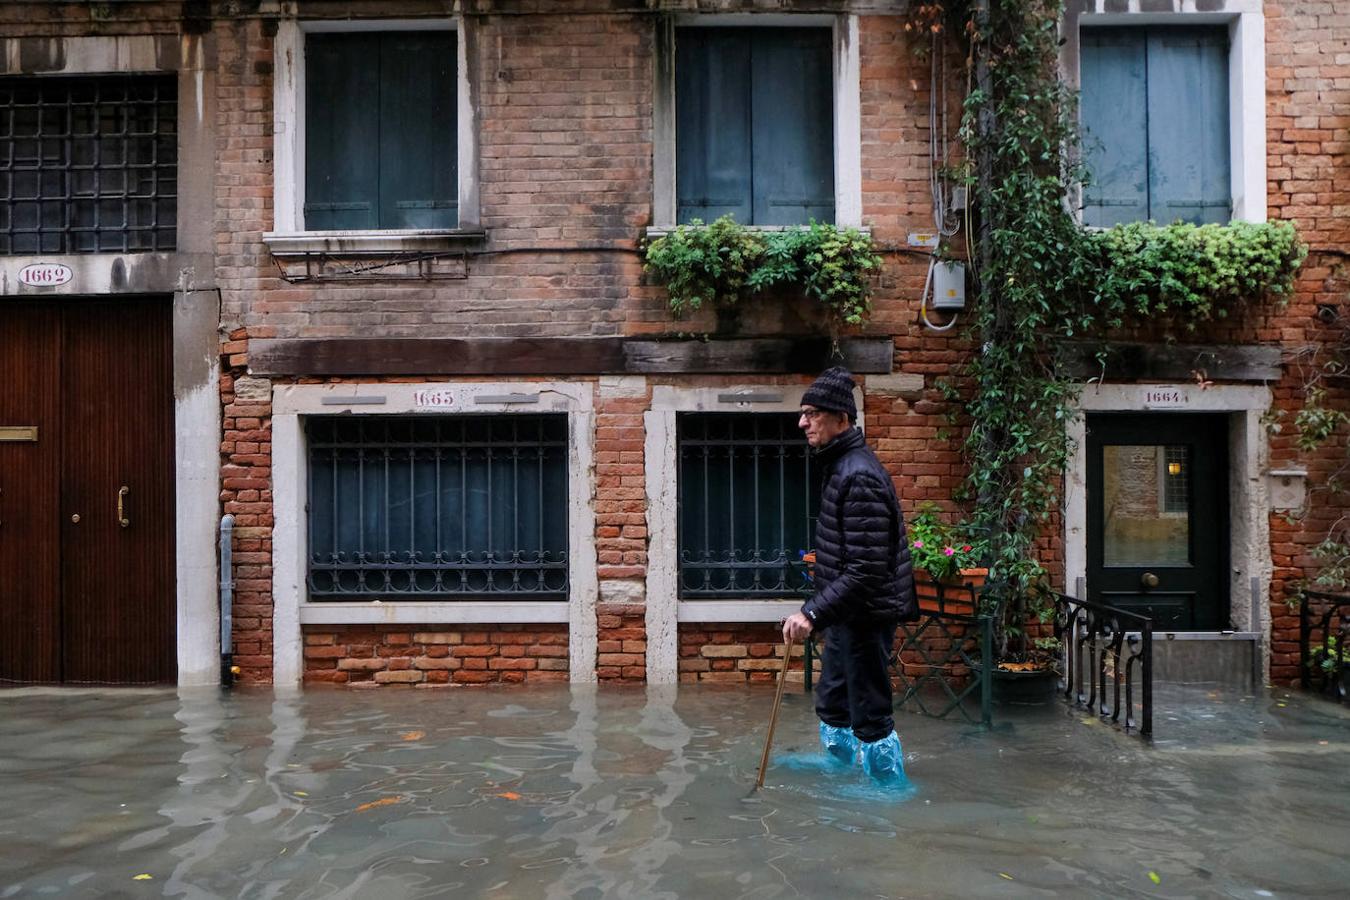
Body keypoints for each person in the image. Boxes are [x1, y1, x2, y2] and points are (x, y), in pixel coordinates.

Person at [782, 366, 918, 783]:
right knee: (835, 699)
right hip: (845, 614)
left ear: (841, 418)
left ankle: (889, 789)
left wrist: (811, 614)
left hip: (866, 614)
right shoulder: (841, 466)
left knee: (868, 706)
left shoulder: (858, 475)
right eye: (804, 413)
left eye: (813, 413)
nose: (803, 422)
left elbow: (866, 568)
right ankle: (838, 766)